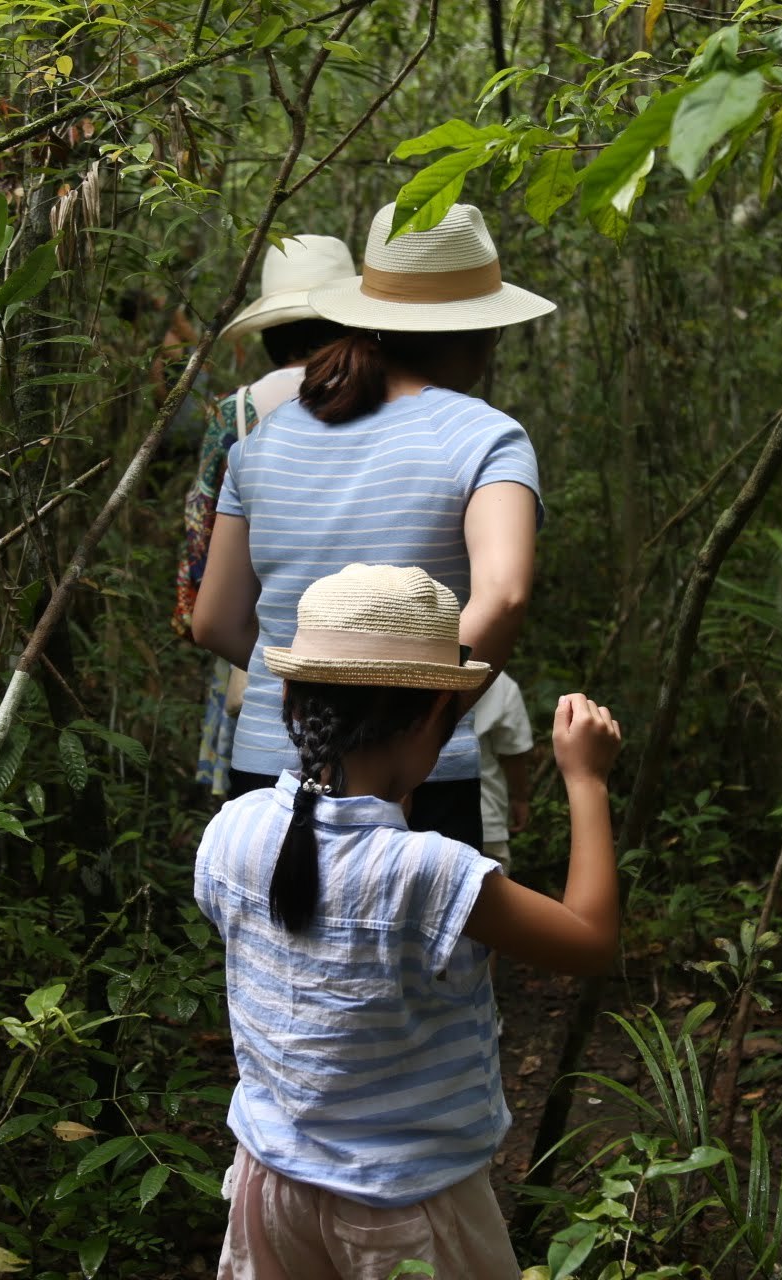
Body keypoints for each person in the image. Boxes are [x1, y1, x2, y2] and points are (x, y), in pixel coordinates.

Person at [193, 564, 623, 1279]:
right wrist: (587, 779)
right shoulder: (428, 873)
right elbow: (589, 941)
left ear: (295, 703)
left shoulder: (232, 831)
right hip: (406, 1205)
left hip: (269, 1185)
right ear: (431, 718)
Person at [192, 202, 554, 851]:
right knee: (426, 951)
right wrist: (412, 731)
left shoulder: (263, 443)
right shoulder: (485, 436)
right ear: (479, 330)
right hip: (419, 774)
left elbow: (215, 622)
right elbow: (504, 595)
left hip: (267, 767)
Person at [175, 234, 355, 796]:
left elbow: (200, 558)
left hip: (262, 653)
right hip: (377, 648)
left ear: (271, 331)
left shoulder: (240, 413)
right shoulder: (389, 397)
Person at [471, 669, 534, 870]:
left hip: (408, 822)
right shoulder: (499, 682)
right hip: (482, 816)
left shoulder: (403, 668)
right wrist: (520, 798)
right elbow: (513, 753)